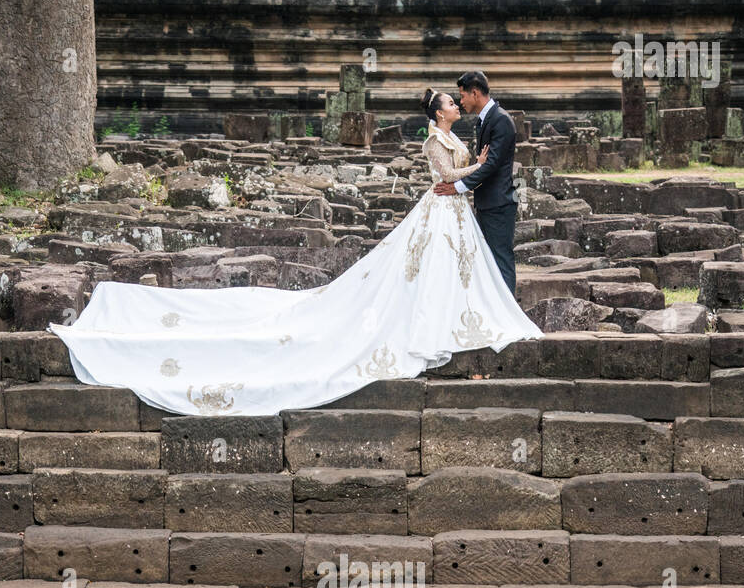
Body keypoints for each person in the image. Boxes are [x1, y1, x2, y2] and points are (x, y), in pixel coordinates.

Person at [50, 89, 540, 417]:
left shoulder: (455, 136)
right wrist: (466, 172)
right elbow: (440, 178)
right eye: (451, 103)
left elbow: (463, 168)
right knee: (419, 273)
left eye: (458, 100)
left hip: (455, 215)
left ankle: (460, 316)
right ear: (439, 113)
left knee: (452, 270)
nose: (457, 105)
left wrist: (473, 163)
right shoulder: (435, 140)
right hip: (442, 207)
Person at [434, 70, 519, 295]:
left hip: (499, 203)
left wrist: (457, 187)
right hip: (485, 204)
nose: (461, 102)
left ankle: (509, 317)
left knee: (501, 260)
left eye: (462, 96)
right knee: (487, 262)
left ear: (475, 93)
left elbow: (490, 165)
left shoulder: (501, 120)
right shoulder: (483, 121)